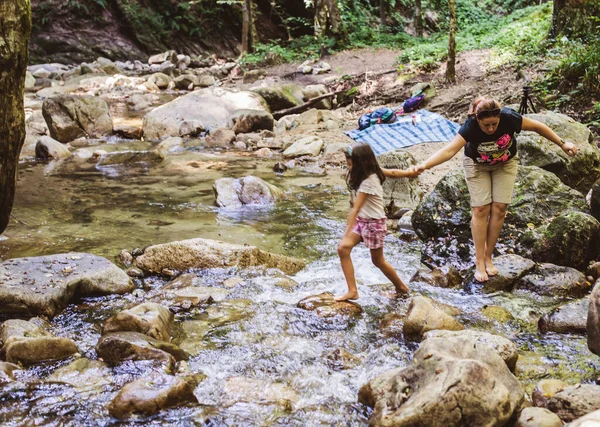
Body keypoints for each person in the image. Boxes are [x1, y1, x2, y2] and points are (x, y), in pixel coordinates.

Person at [413, 97, 578, 282]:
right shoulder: (470, 126)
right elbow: (449, 151)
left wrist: (563, 144)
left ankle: (488, 256)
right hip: (477, 165)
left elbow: (538, 126)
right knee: (480, 208)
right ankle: (478, 261)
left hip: (505, 164)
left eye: (494, 124)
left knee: (499, 209)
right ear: (477, 119)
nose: (491, 129)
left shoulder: (509, 118)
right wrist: (424, 165)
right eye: (486, 125)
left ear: (500, 117)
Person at [335, 142, 420, 301]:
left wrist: (346, 232)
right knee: (343, 249)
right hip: (363, 221)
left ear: (361, 163)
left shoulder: (369, 181)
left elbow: (355, 208)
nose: (348, 166)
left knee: (378, 261)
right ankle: (352, 291)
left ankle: (401, 287)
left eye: (350, 163)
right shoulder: (371, 171)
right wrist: (409, 173)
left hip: (374, 224)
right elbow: (393, 173)